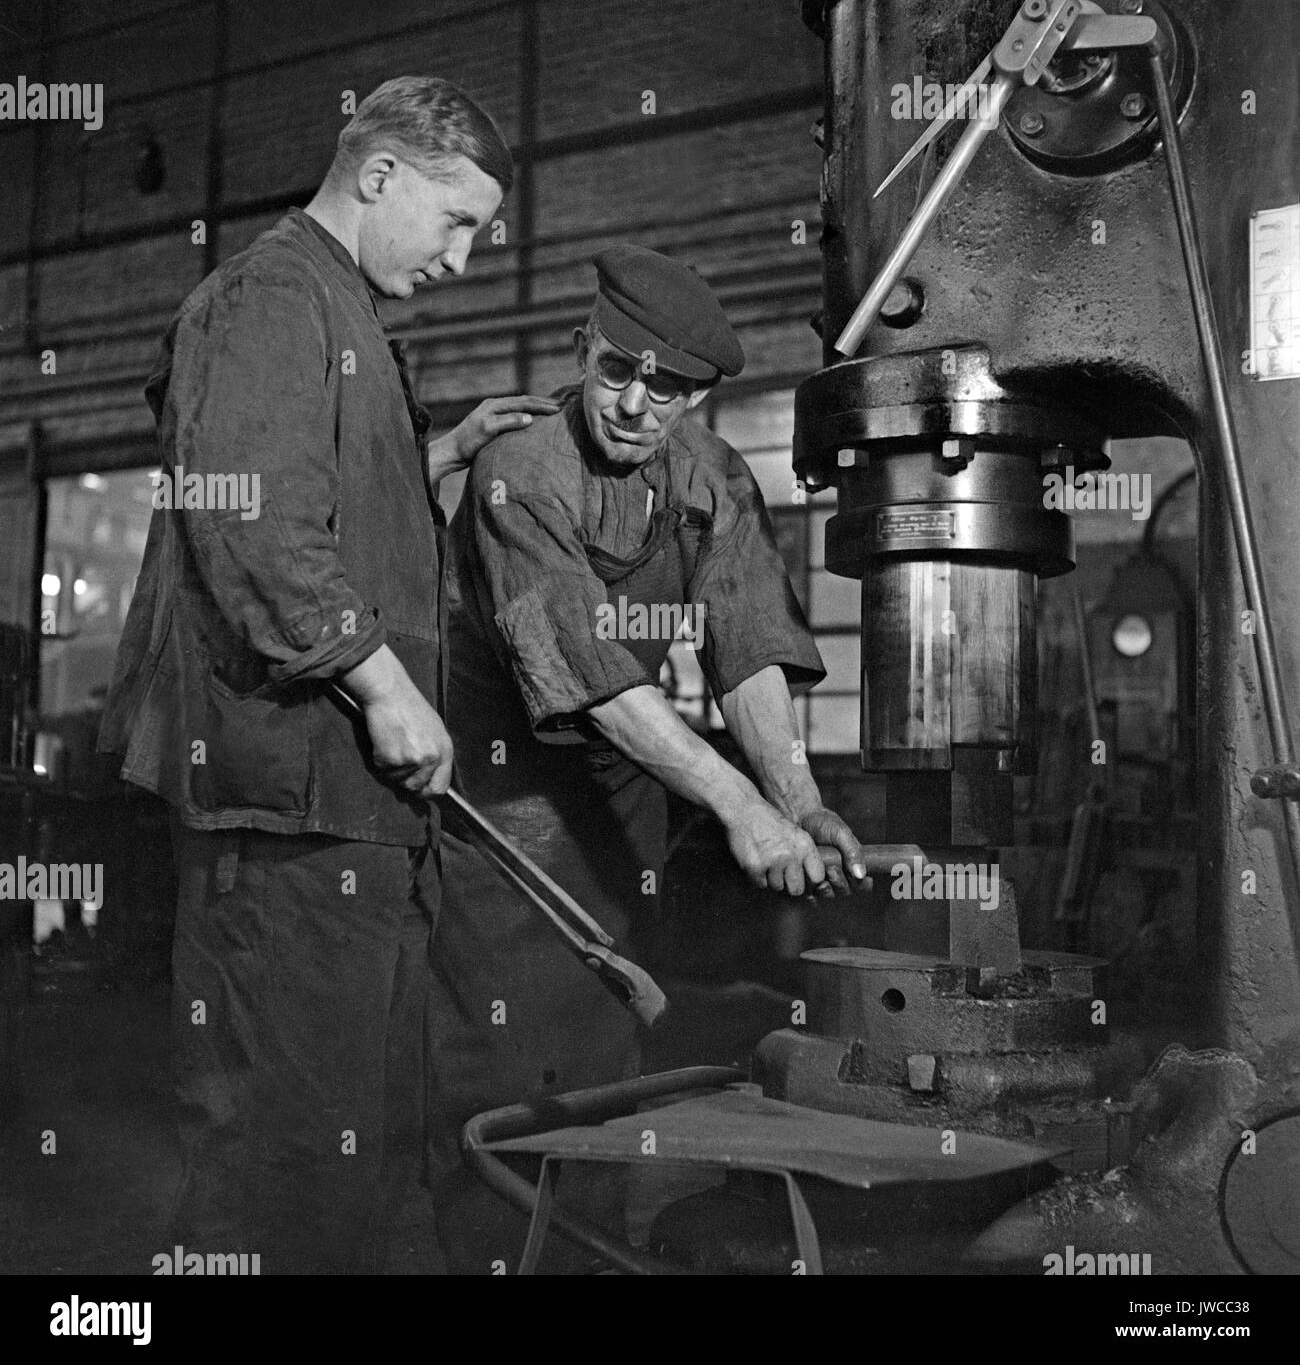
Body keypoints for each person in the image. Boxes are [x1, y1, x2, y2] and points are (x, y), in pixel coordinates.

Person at [97, 76, 557, 1274]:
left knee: (360, 1145)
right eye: (456, 221)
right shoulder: (268, 296)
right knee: (280, 1150)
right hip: (285, 803)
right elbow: (250, 522)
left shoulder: (341, 310)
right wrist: (386, 688)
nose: (464, 256)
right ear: (380, 173)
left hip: (345, 809)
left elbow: (320, 499)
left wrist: (434, 453)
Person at [429, 244, 869, 1271]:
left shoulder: (711, 474)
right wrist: (735, 807)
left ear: (698, 396)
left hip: (621, 795)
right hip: (503, 799)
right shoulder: (518, 470)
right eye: (616, 370)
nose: (633, 405)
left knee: (605, 1044)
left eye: (665, 389)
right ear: (584, 349)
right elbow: (586, 667)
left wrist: (795, 799)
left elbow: (746, 642)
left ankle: (577, 1258)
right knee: (495, 1063)